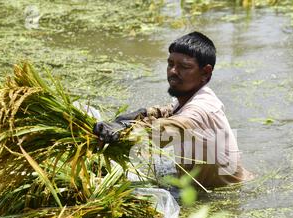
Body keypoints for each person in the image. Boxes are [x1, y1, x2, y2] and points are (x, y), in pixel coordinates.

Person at [93, 31, 253, 189]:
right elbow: (168, 112)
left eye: (184, 67)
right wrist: (139, 114)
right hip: (198, 187)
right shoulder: (189, 100)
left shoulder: (202, 109)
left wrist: (125, 130)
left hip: (229, 194)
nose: (173, 72)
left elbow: (165, 129)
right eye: (170, 64)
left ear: (205, 73)